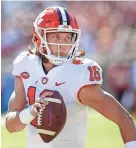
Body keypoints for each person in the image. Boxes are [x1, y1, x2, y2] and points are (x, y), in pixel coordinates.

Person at [5, 6, 136, 148]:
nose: (63, 43)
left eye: (67, 37)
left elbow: (123, 118)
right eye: (55, 36)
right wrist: (29, 113)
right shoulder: (25, 64)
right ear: (39, 37)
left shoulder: (79, 73)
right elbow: (11, 126)